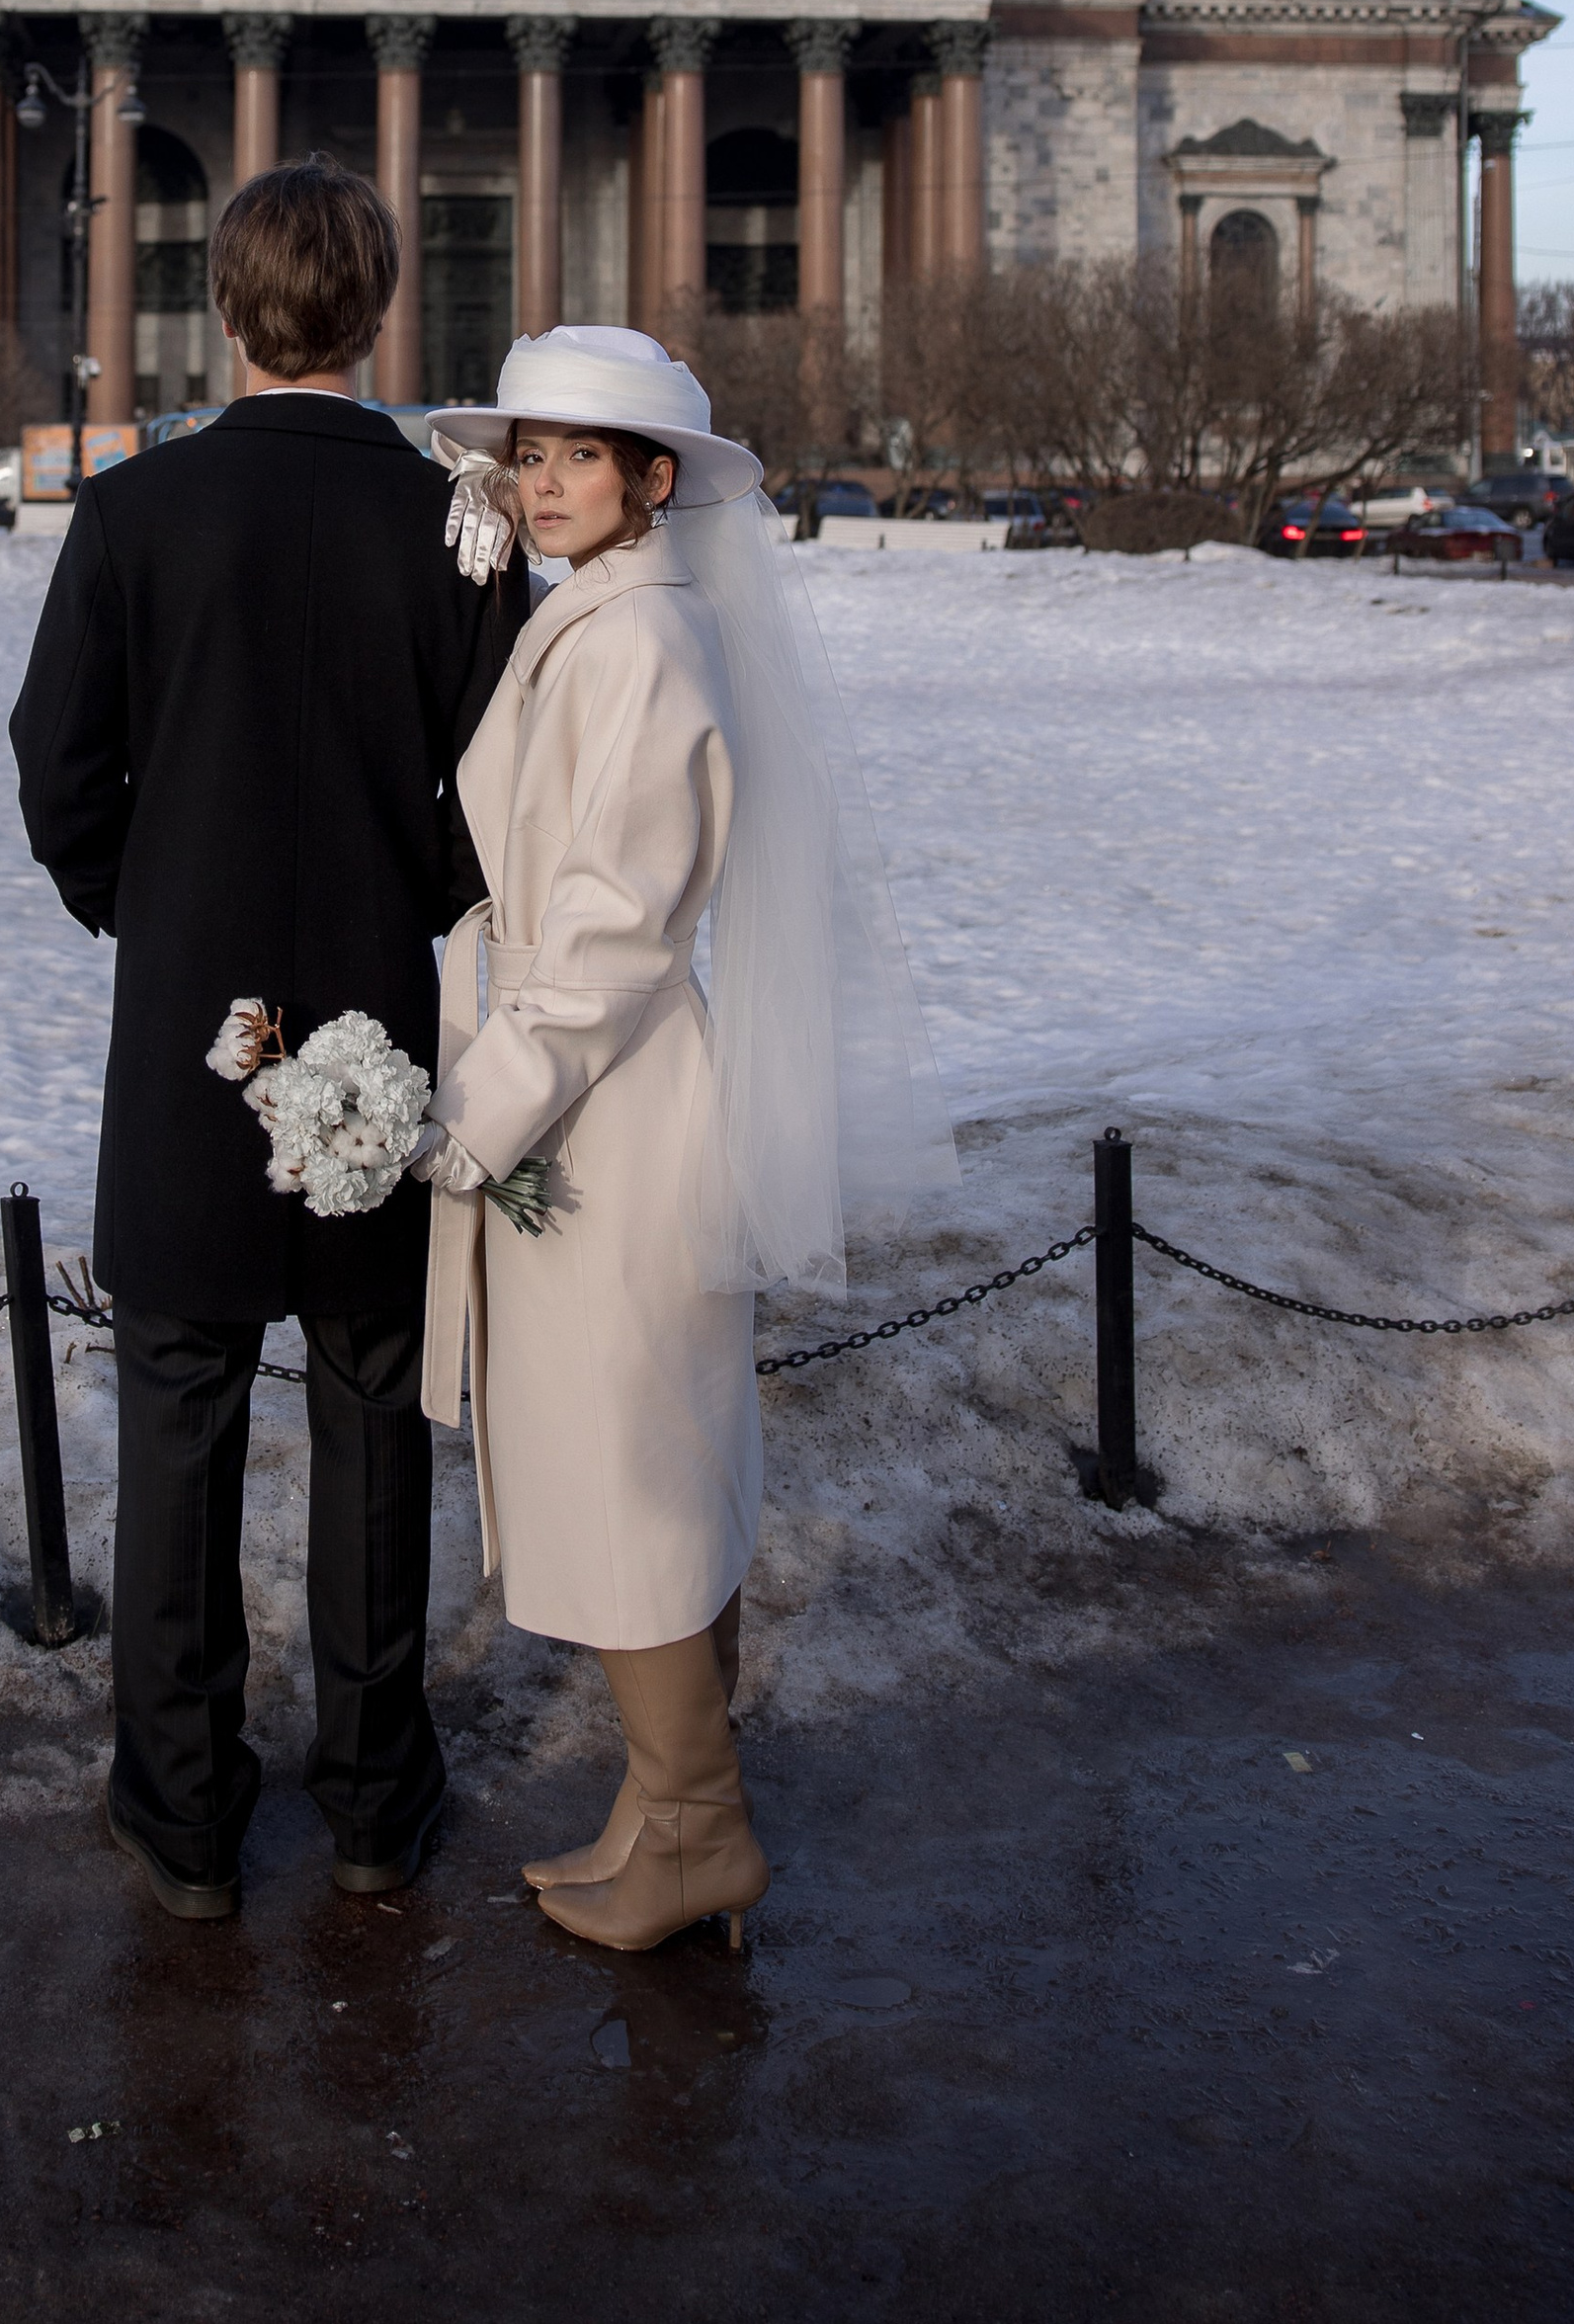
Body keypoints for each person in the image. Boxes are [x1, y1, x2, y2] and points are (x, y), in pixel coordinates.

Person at [9, 158, 527, 1921]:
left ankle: (181, 1810)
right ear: (378, 313)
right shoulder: (459, 527)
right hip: (395, 1030)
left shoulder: (133, 513)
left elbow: (59, 776)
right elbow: (499, 808)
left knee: (177, 1415)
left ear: (226, 312)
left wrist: (145, 910)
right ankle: (377, 1797)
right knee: (379, 1412)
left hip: (191, 1043)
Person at [417, 326, 955, 1954]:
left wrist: (482, 1109)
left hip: (606, 1095)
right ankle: (660, 1810)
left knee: (634, 1475)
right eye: (531, 452)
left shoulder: (642, 639)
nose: (541, 480)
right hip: (597, 1079)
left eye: (582, 455)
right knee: (641, 1460)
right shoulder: (600, 613)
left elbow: (615, 926)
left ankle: (701, 1830)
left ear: (657, 480)